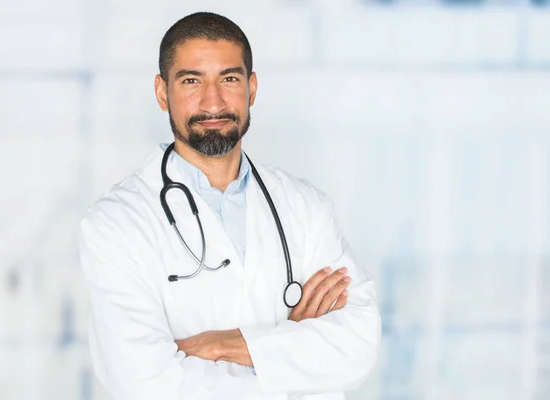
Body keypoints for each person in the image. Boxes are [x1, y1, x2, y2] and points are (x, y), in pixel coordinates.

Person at [78, 11, 381, 400]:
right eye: (191, 80)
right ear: (161, 92)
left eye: (229, 78)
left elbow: (358, 345)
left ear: (251, 88)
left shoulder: (306, 207)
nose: (213, 101)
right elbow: (145, 382)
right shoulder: (115, 223)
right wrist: (289, 348)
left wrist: (223, 345)